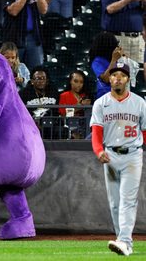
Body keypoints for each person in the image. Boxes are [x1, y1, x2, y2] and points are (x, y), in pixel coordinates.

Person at [90, 62, 146, 256]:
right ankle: (122, 239)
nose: (118, 78)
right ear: (110, 78)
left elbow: (145, 132)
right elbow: (96, 133)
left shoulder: (139, 102)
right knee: (115, 203)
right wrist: (99, 151)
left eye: (122, 75)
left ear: (128, 79)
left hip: (132, 154)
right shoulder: (101, 103)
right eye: (114, 75)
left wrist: (140, 148)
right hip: (111, 155)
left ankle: (125, 241)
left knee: (128, 200)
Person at [1, 0, 48, 69]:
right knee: (14, 71)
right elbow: (13, 11)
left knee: (36, 70)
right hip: (15, 39)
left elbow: (43, 9)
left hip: (33, 38)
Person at [101, 0, 146, 64]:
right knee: (119, 74)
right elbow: (110, 9)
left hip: (137, 40)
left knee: (136, 75)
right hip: (118, 39)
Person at [19, 66, 59, 133]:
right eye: (38, 78)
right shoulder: (24, 93)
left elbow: (56, 111)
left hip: (51, 126)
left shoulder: (53, 92)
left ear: (47, 81)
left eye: (43, 78)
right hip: (31, 126)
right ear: (32, 81)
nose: (41, 81)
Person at [90, 31, 124, 99]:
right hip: (105, 96)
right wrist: (114, 60)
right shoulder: (97, 61)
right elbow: (106, 79)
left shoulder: (118, 58)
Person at [59, 70, 91, 139]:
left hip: (85, 127)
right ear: (70, 81)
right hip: (69, 128)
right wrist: (79, 107)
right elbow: (63, 116)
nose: (78, 85)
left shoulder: (86, 96)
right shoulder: (64, 95)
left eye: (81, 82)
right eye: (76, 81)